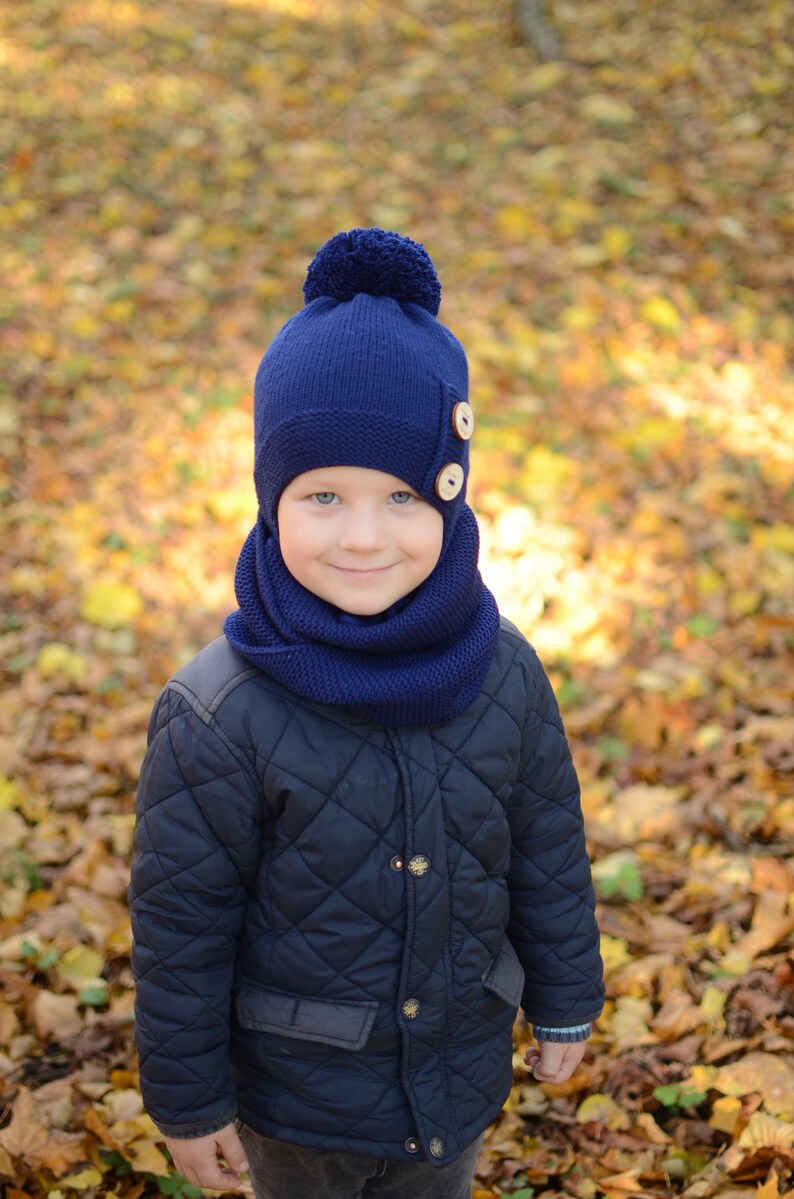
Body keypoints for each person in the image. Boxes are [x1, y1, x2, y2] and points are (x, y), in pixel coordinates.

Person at [130, 228, 604, 1199]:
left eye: (400, 496)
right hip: (297, 1101)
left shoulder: (501, 667)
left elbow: (546, 842)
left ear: (452, 496)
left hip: (456, 1073)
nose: (361, 536)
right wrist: (188, 1099)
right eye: (322, 496)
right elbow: (181, 925)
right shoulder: (219, 709)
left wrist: (563, 1002)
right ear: (271, 498)